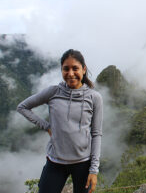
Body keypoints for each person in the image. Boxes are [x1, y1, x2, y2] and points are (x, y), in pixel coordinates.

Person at [17, 49, 103, 193]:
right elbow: (23, 107)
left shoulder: (94, 98)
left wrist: (94, 170)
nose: (70, 73)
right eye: (66, 69)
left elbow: (96, 134)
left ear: (83, 69)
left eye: (75, 68)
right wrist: (46, 126)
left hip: (83, 162)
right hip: (55, 162)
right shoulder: (53, 92)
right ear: (61, 70)